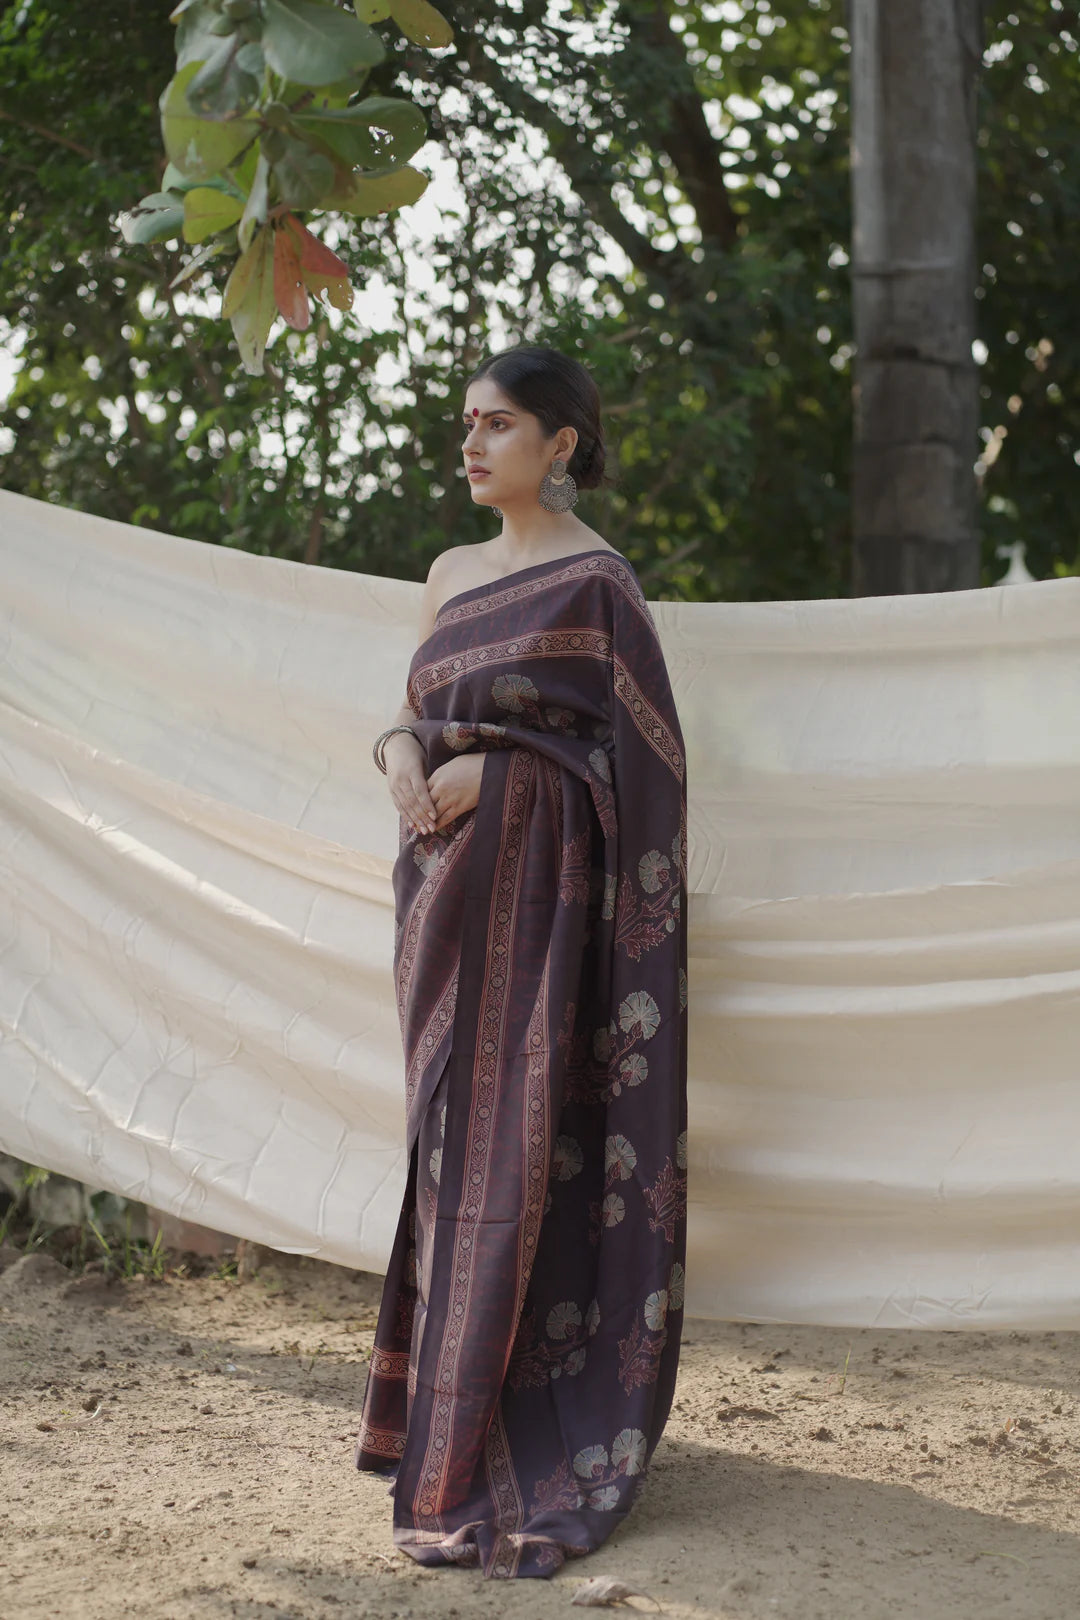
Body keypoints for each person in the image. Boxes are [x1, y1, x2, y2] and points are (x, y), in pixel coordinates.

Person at [356, 344, 689, 1580]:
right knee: (451, 1146)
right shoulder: (449, 573)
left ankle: (517, 1434)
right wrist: (400, 759)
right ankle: (443, 1419)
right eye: (466, 424)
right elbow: (408, 706)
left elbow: (644, 771)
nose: (474, 443)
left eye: (500, 425)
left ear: (563, 443)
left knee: (520, 1140)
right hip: (439, 897)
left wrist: (504, 768)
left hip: (546, 906)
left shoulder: (600, 586)